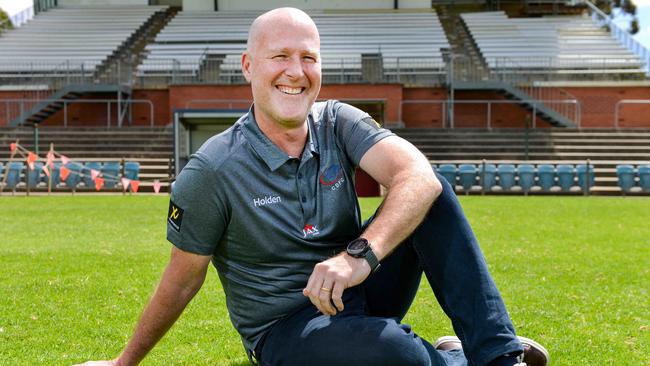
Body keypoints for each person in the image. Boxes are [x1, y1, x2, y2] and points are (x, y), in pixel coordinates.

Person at [76, 7, 549, 366]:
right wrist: (124, 362)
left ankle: (497, 356)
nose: (295, 71)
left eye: (308, 58)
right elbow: (182, 280)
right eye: (279, 56)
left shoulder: (338, 121)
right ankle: (451, 356)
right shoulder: (212, 170)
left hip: (356, 289)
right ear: (247, 66)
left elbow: (417, 177)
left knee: (430, 191)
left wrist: (358, 256)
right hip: (287, 329)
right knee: (393, 354)